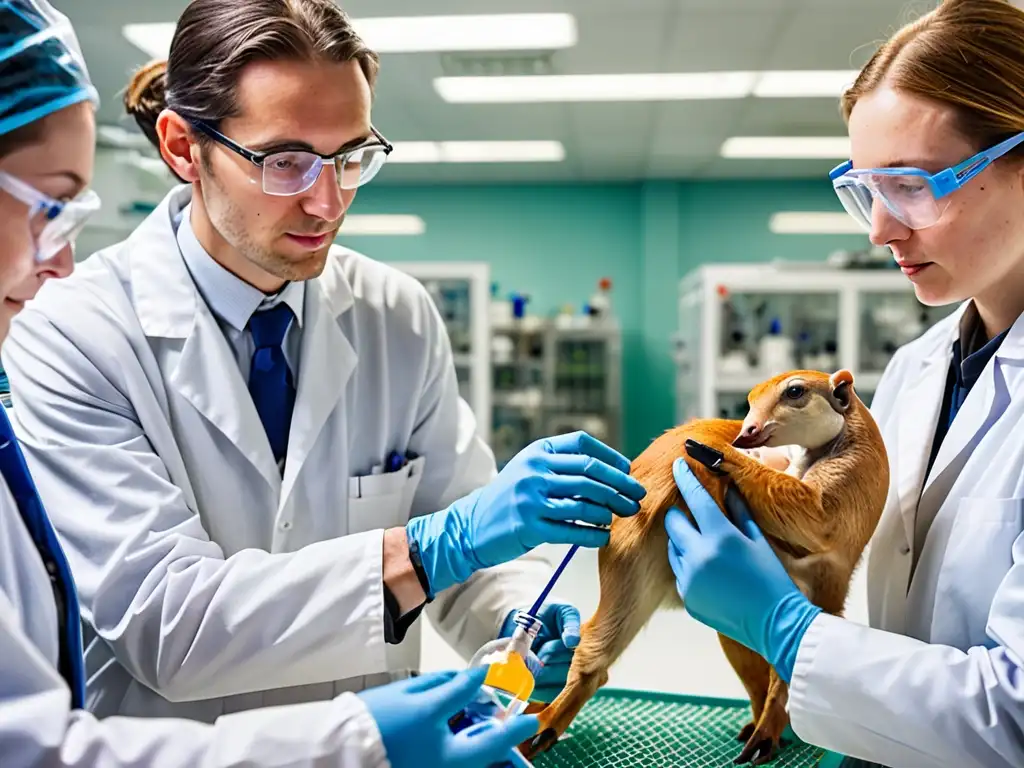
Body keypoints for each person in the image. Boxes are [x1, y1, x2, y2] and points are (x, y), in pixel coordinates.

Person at [1, 0, 646, 727]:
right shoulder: (73, 331)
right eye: (286, 162)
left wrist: (519, 621)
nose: (327, 200)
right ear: (184, 147)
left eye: (350, 157)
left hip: (374, 741)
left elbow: (467, 541)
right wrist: (436, 549)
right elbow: (169, 626)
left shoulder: (395, 315)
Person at [664, 1, 1024, 767]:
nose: (880, 230)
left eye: (914, 186)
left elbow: (1013, 719)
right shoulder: (917, 370)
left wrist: (787, 631)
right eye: (865, 189)